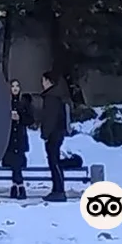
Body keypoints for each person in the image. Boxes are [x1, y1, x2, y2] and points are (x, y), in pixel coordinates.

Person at [1, 79, 34, 199]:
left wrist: (19, 118)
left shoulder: (24, 102)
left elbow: (30, 119)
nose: (15, 88)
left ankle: (18, 186)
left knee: (17, 162)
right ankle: (18, 186)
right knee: (14, 162)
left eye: (17, 86)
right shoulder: (4, 102)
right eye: (13, 86)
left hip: (19, 137)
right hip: (9, 138)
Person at [40, 70, 69, 202]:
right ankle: (57, 189)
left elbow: (49, 118)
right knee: (54, 160)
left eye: (43, 81)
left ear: (48, 81)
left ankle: (59, 190)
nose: (42, 84)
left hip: (54, 133)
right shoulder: (57, 96)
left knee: (54, 161)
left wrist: (45, 133)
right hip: (58, 132)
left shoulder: (51, 98)